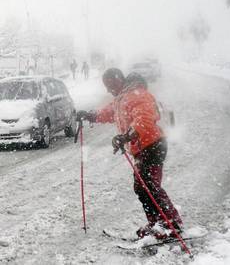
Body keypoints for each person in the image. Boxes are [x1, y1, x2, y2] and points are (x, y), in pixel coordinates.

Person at [77, 68, 183, 239]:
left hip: (152, 145)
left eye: (110, 84)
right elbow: (107, 112)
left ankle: (171, 224)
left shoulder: (138, 94)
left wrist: (127, 136)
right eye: (106, 86)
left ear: (118, 80)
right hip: (143, 148)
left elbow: (144, 119)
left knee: (149, 186)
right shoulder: (122, 98)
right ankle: (158, 222)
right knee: (142, 187)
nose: (108, 89)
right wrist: (90, 115)